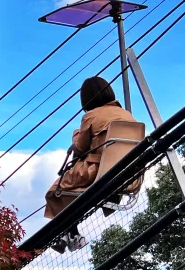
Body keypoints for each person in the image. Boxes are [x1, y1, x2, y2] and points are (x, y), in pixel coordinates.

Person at [44, 76, 136, 253]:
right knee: (75, 195)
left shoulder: (91, 116)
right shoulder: (127, 116)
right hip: (126, 174)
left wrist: (76, 134)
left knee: (56, 191)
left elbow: (80, 149)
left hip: (97, 172)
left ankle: (70, 234)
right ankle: (69, 234)